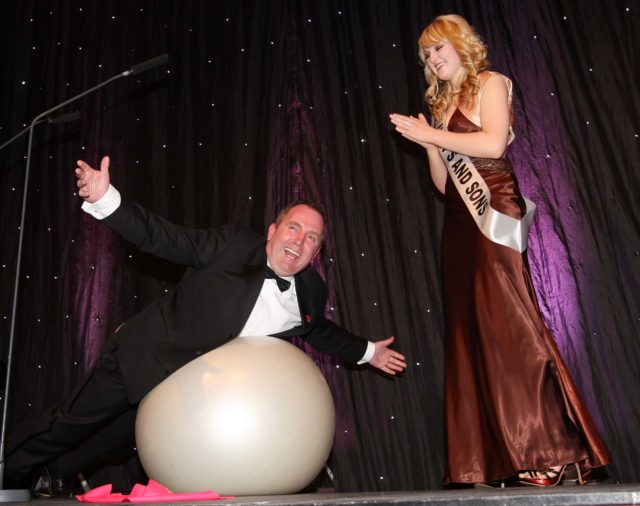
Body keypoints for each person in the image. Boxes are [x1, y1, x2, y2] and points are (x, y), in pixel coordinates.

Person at [5, 155, 407, 495]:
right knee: (74, 421)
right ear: (272, 232)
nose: (300, 242)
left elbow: (318, 330)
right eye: (294, 229)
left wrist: (369, 352)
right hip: (147, 355)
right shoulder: (231, 247)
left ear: (317, 252)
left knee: (121, 438)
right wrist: (107, 200)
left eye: (313, 239)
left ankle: (55, 477)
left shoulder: (311, 291)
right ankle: (9, 470)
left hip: (192, 393)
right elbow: (164, 239)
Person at [389, 14, 609, 487]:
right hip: (458, 221)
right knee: (474, 336)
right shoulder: (444, 103)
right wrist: (430, 144)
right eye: (426, 54)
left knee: (510, 328)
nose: (431, 59)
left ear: (459, 45)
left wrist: (432, 136)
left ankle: (553, 450)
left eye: (437, 48)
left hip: (492, 208)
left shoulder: (491, 82)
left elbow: (492, 144)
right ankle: (497, 456)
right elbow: (443, 183)